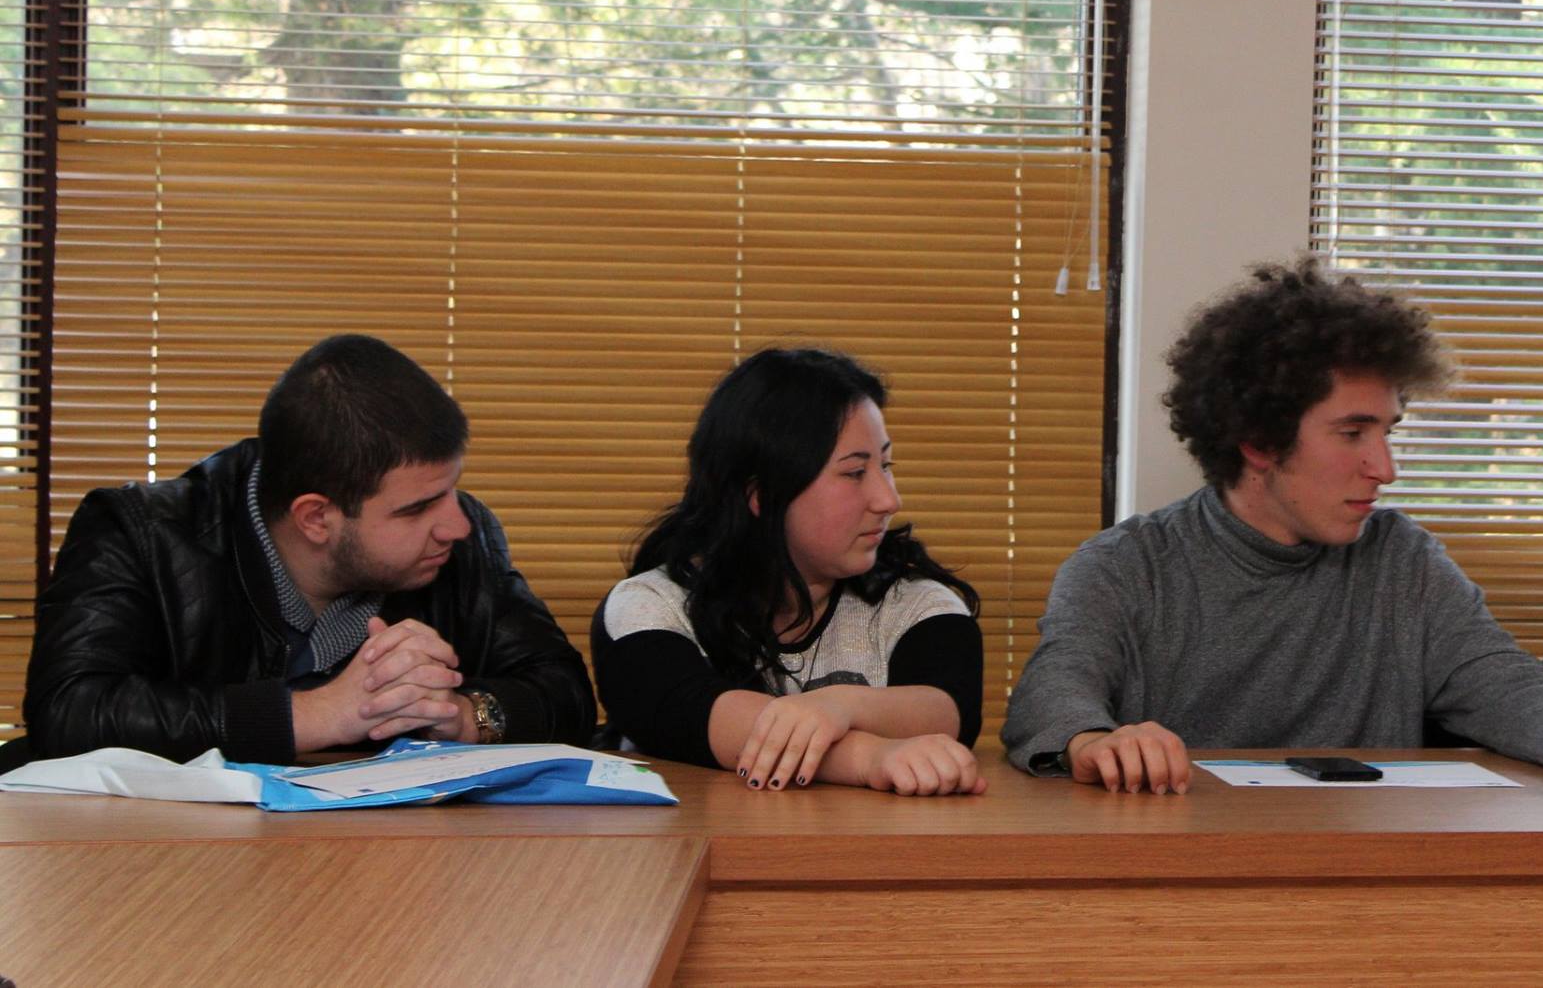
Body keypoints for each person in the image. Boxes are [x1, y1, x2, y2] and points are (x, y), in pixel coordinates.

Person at [1002, 258, 1543, 797]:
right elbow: (1051, 696)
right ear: (1259, 440)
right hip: (1179, 873)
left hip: (1366, 881)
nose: (1386, 468)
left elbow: (1500, 680)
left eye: (1388, 432)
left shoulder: (1405, 562)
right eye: (1352, 433)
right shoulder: (1124, 566)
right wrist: (1093, 741)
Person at [16, 334, 595, 765]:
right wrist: (319, 713)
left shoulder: (462, 546)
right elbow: (69, 710)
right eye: (417, 508)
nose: (456, 525)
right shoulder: (139, 533)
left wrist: (464, 716)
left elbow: (564, 692)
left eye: (452, 490)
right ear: (316, 518)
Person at [592, 347, 985, 796]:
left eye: (886, 465)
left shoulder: (917, 603)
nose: (888, 499)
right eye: (855, 472)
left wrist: (843, 705)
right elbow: (692, 715)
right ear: (760, 495)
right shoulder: (647, 607)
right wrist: (868, 756)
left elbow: (950, 709)